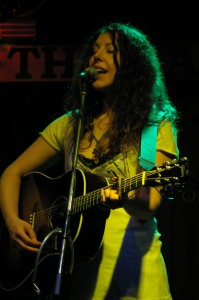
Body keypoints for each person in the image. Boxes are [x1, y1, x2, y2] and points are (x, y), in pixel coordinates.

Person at [0, 21, 180, 300]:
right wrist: (13, 222)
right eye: (94, 50)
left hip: (134, 272)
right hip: (75, 271)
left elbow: (150, 205)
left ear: (132, 66)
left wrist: (126, 199)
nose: (96, 56)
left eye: (110, 50)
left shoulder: (153, 125)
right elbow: (12, 173)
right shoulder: (72, 124)